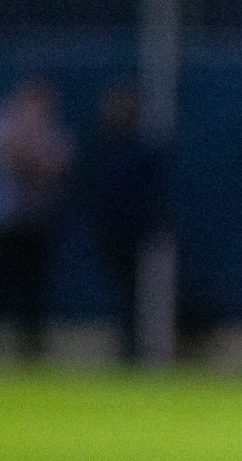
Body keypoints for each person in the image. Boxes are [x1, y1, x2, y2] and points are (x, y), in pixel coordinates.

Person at [88, 84, 164, 364]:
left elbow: (152, 194)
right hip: (113, 230)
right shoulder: (105, 148)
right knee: (121, 292)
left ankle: (132, 346)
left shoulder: (140, 150)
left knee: (131, 293)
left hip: (132, 231)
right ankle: (126, 345)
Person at [0, 78, 74, 361]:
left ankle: (30, 349)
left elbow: (56, 165)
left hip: (36, 224)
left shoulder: (54, 133)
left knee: (33, 291)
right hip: (7, 222)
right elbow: (15, 156)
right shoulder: (7, 124)